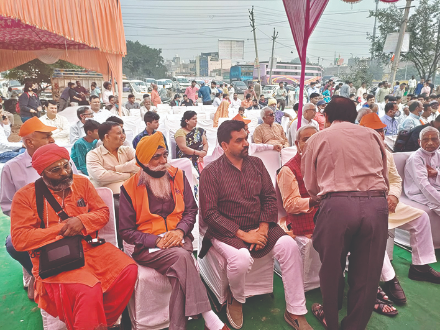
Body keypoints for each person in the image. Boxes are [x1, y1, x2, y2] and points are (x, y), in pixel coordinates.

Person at [199, 120, 312, 330]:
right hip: (227, 229)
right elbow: (210, 214)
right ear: (224, 145)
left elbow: (269, 198)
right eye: (239, 140)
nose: (245, 143)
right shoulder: (211, 172)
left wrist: (262, 228)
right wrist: (243, 234)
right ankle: (236, 298)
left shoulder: (257, 165)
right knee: (240, 259)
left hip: (259, 224)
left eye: (246, 138)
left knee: (290, 247)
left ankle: (295, 311)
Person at [11, 143, 137, 329]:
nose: (64, 172)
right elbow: (20, 239)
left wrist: (82, 221)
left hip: (89, 247)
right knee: (88, 289)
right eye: (56, 169)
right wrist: (63, 229)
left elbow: (102, 212)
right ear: (42, 173)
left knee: (128, 270)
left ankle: (103, 322)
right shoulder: (25, 196)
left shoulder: (82, 183)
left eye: (66, 165)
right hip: (53, 256)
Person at [119, 133, 229, 330]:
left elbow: (191, 210)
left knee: (179, 268)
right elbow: (126, 231)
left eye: (165, 155)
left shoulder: (178, 175)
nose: (163, 161)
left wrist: (180, 231)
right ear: (144, 161)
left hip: (179, 239)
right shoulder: (129, 188)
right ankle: (209, 316)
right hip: (148, 248)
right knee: (181, 258)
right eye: (156, 157)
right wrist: (155, 241)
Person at [301, 96, 389, 330]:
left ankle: (331, 318)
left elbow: (311, 184)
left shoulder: (319, 137)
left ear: (327, 117)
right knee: (369, 271)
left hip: (338, 205)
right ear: (354, 117)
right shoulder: (372, 135)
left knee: (331, 268)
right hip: (376, 205)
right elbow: (385, 175)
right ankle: (354, 325)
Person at [360, 114, 440, 307]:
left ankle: (419, 267)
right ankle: (390, 279)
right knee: (376, 229)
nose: (379, 134)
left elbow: (395, 180)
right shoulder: (355, 152)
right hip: (365, 205)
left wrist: (394, 196)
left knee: (421, 218)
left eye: (381, 130)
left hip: (389, 202)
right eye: (374, 131)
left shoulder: (385, 152)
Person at [1, 118, 79, 300]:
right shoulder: (12, 168)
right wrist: (32, 222)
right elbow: (6, 205)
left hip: (66, 220)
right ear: (29, 142)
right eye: (46, 136)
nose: (52, 139)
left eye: (51, 135)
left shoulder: (64, 160)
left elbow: (80, 188)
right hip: (34, 225)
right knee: (13, 244)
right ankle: (37, 274)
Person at [87, 121, 138, 246]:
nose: (123, 136)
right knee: (121, 207)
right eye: (119, 133)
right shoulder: (93, 155)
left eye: (123, 132)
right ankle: (123, 245)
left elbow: (141, 163)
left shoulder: (127, 150)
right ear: (106, 137)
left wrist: (117, 168)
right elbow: (101, 177)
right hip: (112, 197)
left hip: (134, 192)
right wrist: (129, 174)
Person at [277, 125, 319, 238]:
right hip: (304, 220)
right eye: (306, 139)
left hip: (326, 215)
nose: (310, 142)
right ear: (297, 144)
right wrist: (314, 201)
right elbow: (290, 205)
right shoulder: (288, 169)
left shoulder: (324, 163)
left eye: (314, 138)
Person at [211, 114, 282, 161]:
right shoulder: (221, 149)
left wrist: (272, 147)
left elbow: (257, 147)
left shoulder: (247, 147)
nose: (248, 132)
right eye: (246, 129)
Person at [404, 126, 440, 217]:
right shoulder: (416, 158)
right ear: (419, 142)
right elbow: (424, 185)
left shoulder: (438, 154)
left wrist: (436, 173)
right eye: (425, 140)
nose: (430, 143)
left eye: (434, 139)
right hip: (420, 193)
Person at [174, 111, 208, 175]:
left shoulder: (199, 130)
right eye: (193, 119)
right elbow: (183, 148)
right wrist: (199, 153)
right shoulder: (180, 132)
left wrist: (204, 152)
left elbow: (205, 143)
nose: (196, 121)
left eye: (196, 119)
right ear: (187, 121)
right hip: (186, 159)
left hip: (200, 156)